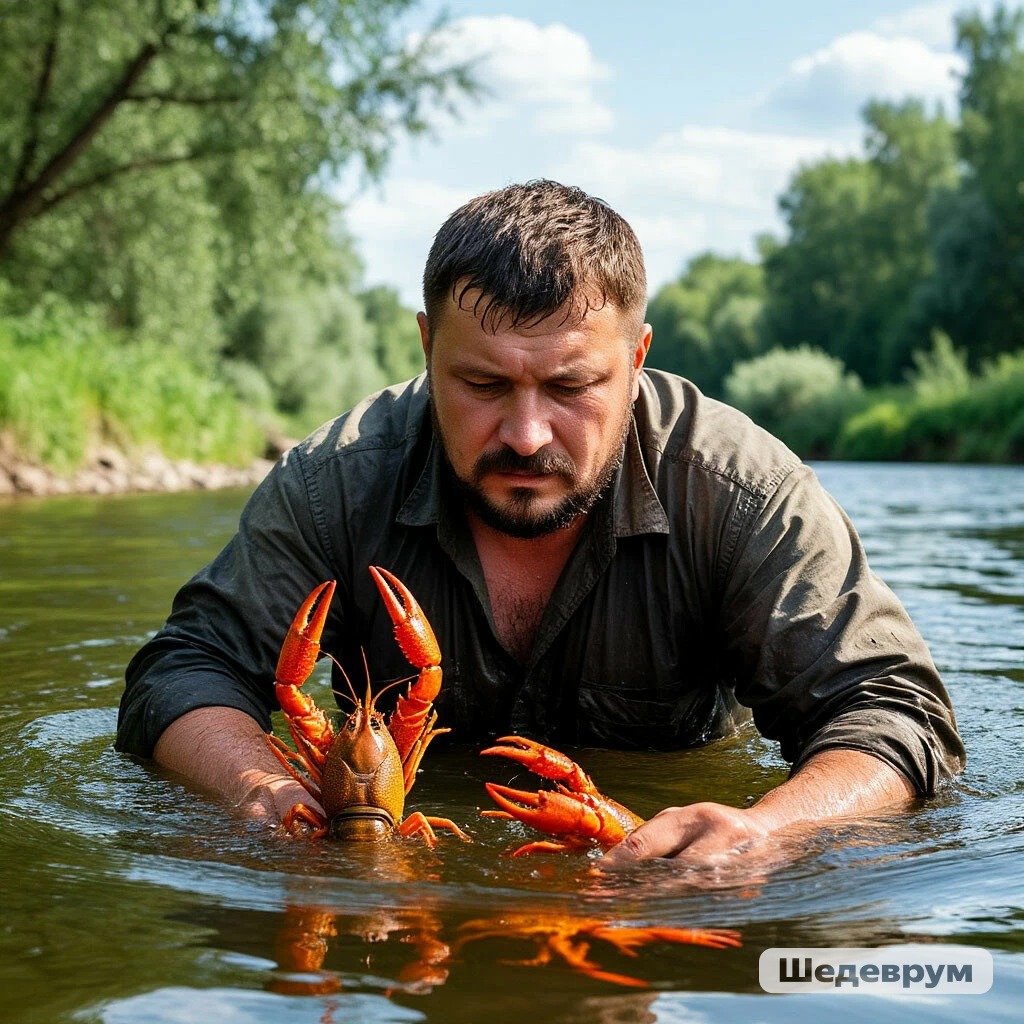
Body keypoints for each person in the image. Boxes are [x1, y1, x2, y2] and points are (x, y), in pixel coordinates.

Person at [116, 180, 964, 866]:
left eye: (570, 388)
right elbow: (186, 669)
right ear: (426, 349)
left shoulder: (740, 491)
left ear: (634, 363)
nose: (526, 434)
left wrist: (773, 829)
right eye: (483, 385)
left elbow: (894, 710)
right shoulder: (334, 481)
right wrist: (257, 787)